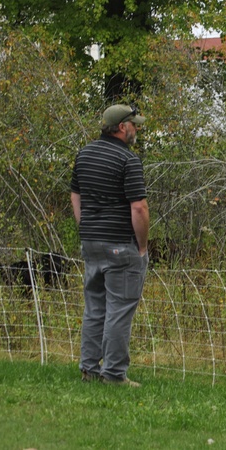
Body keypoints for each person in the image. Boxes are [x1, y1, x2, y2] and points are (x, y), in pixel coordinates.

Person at [71, 104, 150, 387]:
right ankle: (114, 375)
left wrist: (86, 229)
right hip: (120, 246)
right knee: (119, 310)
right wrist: (141, 248)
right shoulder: (128, 160)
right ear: (121, 128)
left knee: (94, 308)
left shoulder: (84, 154)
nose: (136, 128)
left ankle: (89, 370)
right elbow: (139, 208)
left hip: (91, 243)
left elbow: (75, 195)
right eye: (133, 124)